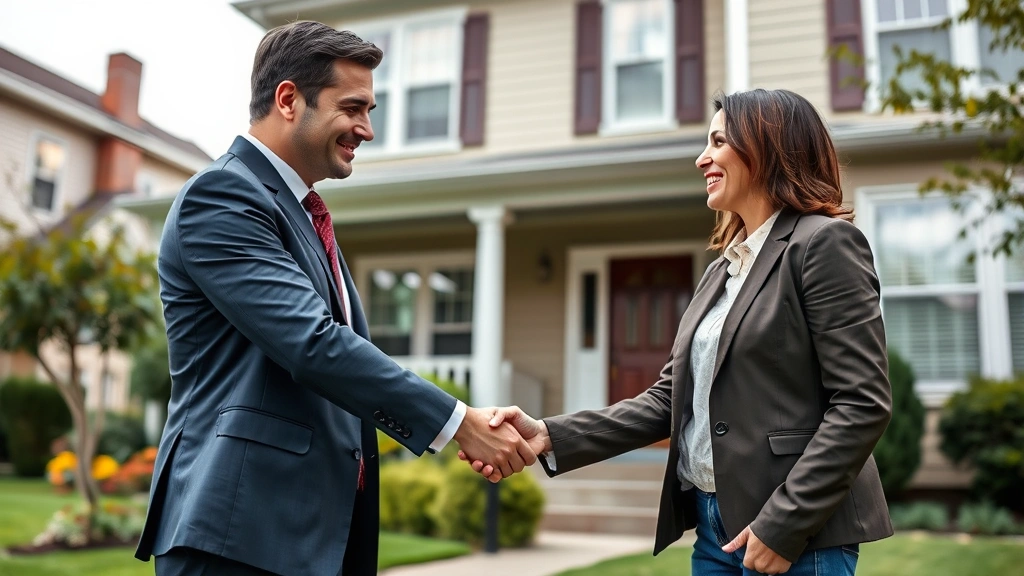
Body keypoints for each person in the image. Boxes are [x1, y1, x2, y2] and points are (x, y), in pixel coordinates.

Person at [134, 21, 534, 576]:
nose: (367, 129)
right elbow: (313, 344)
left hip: (304, 533)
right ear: (289, 99)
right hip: (237, 533)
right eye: (353, 108)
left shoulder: (301, 211)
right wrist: (457, 421)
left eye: (369, 110)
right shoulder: (223, 196)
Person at [465, 89, 894, 575]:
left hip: (797, 537)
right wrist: (547, 435)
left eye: (717, 141)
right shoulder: (723, 272)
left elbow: (862, 402)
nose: (701, 158)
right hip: (715, 531)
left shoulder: (823, 244)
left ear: (767, 146)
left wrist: (785, 522)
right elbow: (670, 400)